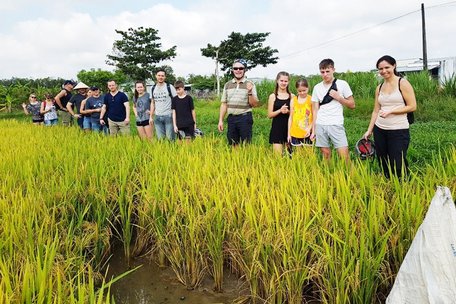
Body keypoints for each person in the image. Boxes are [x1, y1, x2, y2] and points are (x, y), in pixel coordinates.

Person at [363, 55, 417, 178]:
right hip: (380, 129)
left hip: (398, 129)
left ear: (394, 66)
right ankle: (388, 182)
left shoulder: (402, 83)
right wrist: (369, 130)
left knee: (398, 161)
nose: (384, 71)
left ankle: (403, 185)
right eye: (380, 69)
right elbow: (376, 111)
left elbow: (412, 106)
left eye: (387, 67)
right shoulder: (379, 87)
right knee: (383, 160)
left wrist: (391, 111)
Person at [311, 58, 355, 161]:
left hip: (336, 124)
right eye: (322, 72)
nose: (325, 74)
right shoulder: (317, 87)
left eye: (327, 71)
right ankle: (329, 175)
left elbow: (352, 105)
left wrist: (339, 97)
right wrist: (314, 129)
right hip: (320, 124)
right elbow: (315, 110)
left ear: (333, 70)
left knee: (344, 155)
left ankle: (353, 176)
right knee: (325, 154)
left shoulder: (342, 84)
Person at [218, 59, 259, 146]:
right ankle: (235, 159)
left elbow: (254, 104)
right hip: (231, 118)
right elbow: (224, 103)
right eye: (235, 68)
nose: (238, 70)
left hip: (245, 118)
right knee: (233, 144)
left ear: (245, 70)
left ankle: (245, 159)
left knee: (246, 144)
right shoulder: (227, 85)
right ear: (232, 70)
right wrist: (221, 120)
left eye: (241, 68)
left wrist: (250, 92)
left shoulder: (250, 84)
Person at [267, 71, 292, 155]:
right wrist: (280, 111)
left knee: (289, 156)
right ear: (277, 81)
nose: (283, 83)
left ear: (288, 82)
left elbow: (295, 114)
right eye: (281, 80)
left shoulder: (292, 96)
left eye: (285, 81)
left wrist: (288, 111)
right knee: (278, 157)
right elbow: (269, 115)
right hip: (277, 128)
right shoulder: (273, 96)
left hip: (289, 128)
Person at [150, 69, 177, 140]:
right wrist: (151, 116)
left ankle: (172, 151)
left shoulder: (169, 87)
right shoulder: (153, 88)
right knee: (160, 139)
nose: (160, 77)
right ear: (156, 76)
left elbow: (176, 100)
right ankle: (163, 151)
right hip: (157, 116)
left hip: (169, 116)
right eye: (159, 75)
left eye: (162, 76)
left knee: (170, 138)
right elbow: (152, 103)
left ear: (165, 77)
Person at [288, 78, 313, 149]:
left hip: (307, 132)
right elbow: (290, 118)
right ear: (296, 90)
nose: (302, 93)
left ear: (308, 88)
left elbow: (315, 116)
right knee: (298, 156)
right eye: (299, 91)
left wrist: (310, 128)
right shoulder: (293, 100)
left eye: (304, 90)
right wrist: (289, 134)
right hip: (295, 132)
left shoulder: (311, 100)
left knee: (308, 154)